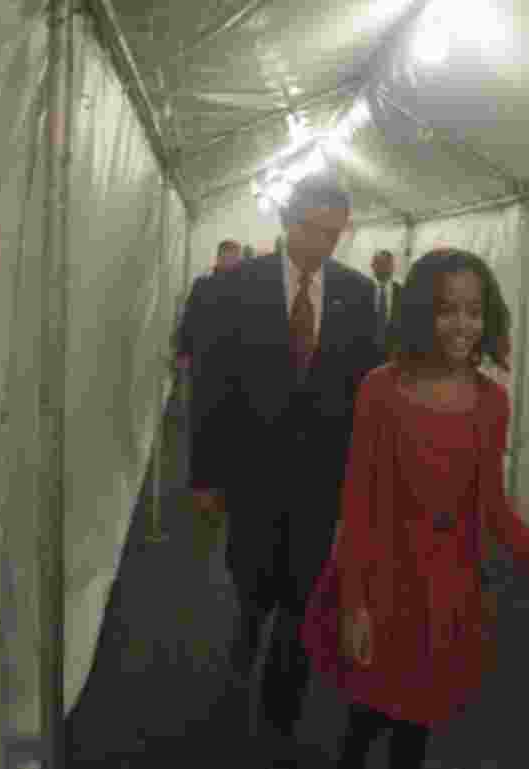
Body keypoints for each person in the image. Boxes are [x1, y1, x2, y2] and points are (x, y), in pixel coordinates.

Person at [299, 248, 529, 769]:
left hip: (444, 591)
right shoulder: (380, 389)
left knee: (416, 728)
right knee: (364, 720)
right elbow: (358, 505)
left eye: (474, 310)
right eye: (447, 309)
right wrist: (354, 604)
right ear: (420, 312)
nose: (463, 324)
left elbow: (494, 509)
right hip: (381, 580)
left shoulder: (491, 403)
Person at [188, 173, 383, 769]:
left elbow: (365, 386)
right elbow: (211, 387)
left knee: (304, 598)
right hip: (251, 473)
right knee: (253, 586)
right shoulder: (235, 287)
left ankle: (280, 717)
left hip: (322, 477)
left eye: (333, 234)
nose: (321, 246)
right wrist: (205, 477)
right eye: (312, 231)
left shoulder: (355, 293)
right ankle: (237, 670)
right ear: (288, 221)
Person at [173, 238, 242, 376]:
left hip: (233, 361)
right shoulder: (202, 285)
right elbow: (189, 319)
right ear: (218, 258)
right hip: (204, 358)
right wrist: (183, 353)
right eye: (226, 257)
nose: (229, 262)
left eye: (234, 258)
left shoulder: (244, 288)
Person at [370, 249, 403, 361]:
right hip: (365, 352)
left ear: (393, 267)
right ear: (372, 266)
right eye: (378, 264)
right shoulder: (362, 290)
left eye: (386, 264)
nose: (382, 268)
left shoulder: (403, 293)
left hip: (393, 355)